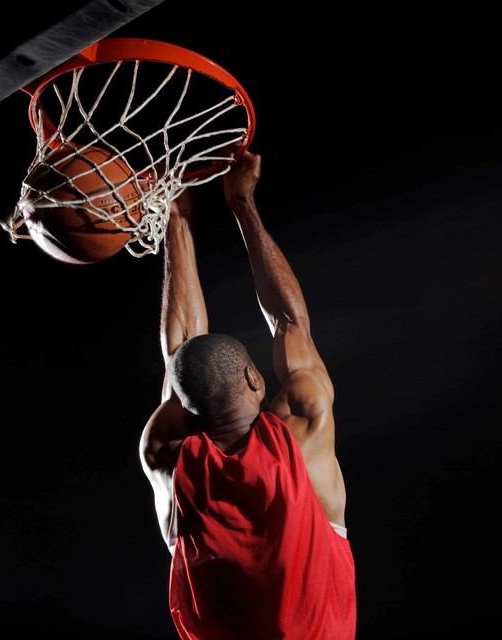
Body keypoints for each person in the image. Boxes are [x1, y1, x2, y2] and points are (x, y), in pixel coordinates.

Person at [138, 149, 357, 639]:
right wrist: (242, 203)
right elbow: (290, 323)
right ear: (255, 380)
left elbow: (180, 352)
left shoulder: (166, 459)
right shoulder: (303, 427)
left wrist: (174, 218)